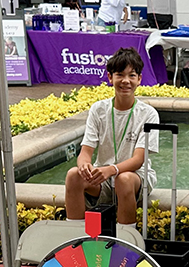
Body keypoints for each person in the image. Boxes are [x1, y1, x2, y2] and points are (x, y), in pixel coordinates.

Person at [64, 47, 159, 230]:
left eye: (131, 75)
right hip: (104, 176)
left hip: (136, 176)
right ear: (110, 77)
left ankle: (126, 239)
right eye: (119, 75)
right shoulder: (98, 110)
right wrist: (84, 166)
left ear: (139, 79)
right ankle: (76, 237)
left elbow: (139, 160)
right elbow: (85, 152)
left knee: (123, 179)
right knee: (73, 175)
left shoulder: (148, 114)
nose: (125, 81)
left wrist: (112, 169)